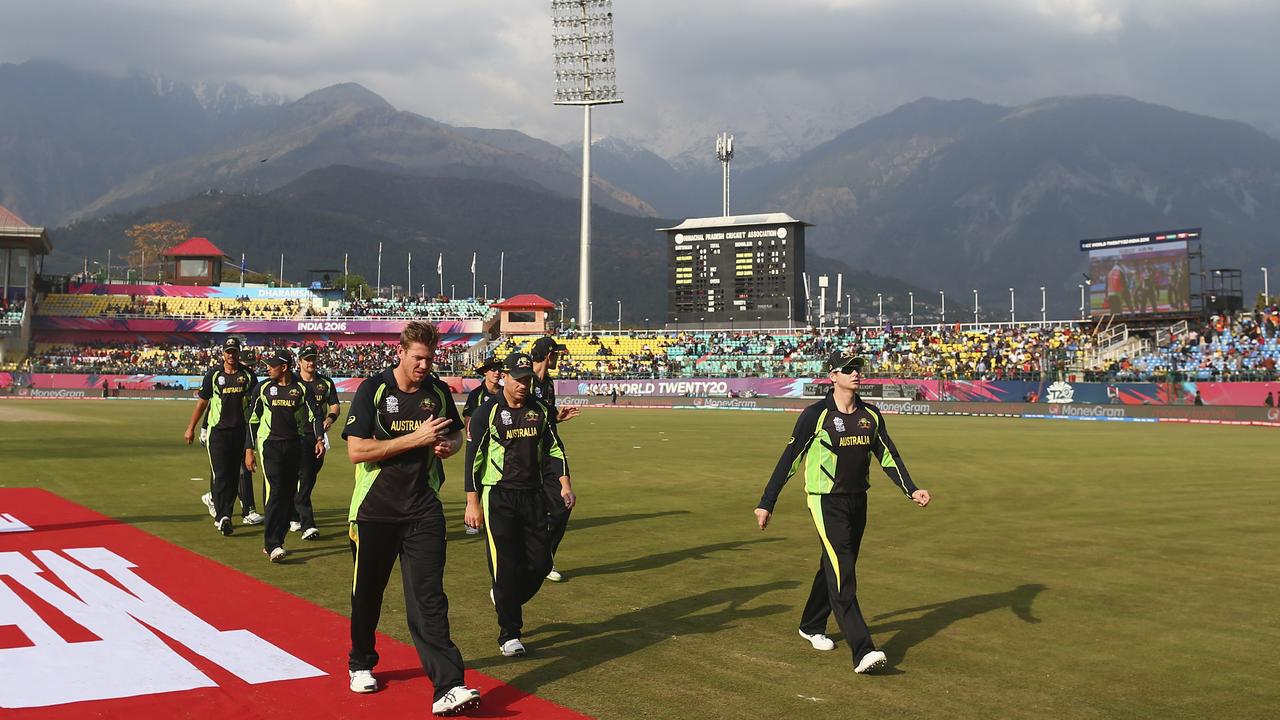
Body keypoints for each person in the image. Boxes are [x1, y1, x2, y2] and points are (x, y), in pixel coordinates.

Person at [754, 352, 931, 675]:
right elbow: (790, 459)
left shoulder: (871, 415)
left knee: (833, 564)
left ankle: (810, 624)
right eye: (848, 369)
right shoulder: (815, 415)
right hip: (825, 501)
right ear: (832, 376)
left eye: (858, 368)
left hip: (857, 501)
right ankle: (863, 649)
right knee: (843, 572)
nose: (855, 373)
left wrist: (912, 489)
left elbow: (888, 455)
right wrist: (767, 502)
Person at [341, 321, 480, 715]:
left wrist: (448, 446)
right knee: (368, 594)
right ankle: (361, 662)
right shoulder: (373, 390)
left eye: (430, 358)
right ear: (399, 352)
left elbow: (454, 434)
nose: (424, 365)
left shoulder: (436, 391)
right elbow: (357, 451)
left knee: (430, 598)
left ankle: (449, 686)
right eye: (418, 358)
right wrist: (414, 439)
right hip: (374, 512)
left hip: (423, 509)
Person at [464, 352, 573, 658]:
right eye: (518, 378)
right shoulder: (487, 412)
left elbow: (554, 448)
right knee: (506, 567)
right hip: (498, 497)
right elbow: (473, 460)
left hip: (533, 495)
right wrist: (472, 503)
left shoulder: (539, 410)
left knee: (540, 563)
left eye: (528, 379)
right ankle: (509, 633)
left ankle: (504, 596)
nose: (524, 384)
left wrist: (564, 483)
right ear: (505, 378)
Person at [245, 349, 325, 563]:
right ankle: (273, 544)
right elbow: (253, 419)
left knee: (288, 496)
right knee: (275, 492)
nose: (268, 368)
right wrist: (248, 450)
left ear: (284, 367)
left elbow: (315, 414)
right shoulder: (262, 388)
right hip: (270, 445)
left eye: (272, 365)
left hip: (294, 446)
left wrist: (319, 439)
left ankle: (276, 540)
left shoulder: (301, 388)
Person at [185, 337, 256, 536]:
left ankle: (224, 513)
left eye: (234, 351)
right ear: (223, 353)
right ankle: (223, 516)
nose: (231, 355)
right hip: (218, 432)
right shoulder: (214, 375)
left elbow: (254, 405)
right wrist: (191, 427)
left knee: (234, 476)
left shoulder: (248, 375)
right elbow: (202, 403)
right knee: (221, 474)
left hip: (240, 432)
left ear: (238, 353)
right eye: (228, 351)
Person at [529, 335, 578, 582]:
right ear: (549, 355)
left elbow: (545, 420)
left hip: (548, 451)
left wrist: (557, 417)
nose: (558, 358)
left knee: (561, 507)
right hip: (523, 455)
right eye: (556, 354)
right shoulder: (522, 379)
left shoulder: (547, 383)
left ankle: (544, 559)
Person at [291, 344, 341, 541]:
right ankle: (307, 524)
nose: (310, 362)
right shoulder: (292, 382)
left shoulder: (325, 383)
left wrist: (329, 419)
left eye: (313, 358)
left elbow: (335, 405)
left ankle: (293, 513)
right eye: (307, 359)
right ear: (299, 361)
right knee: (305, 476)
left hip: (318, 437)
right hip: (297, 436)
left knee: (309, 478)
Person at [461, 353, 504, 536]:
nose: (497, 372)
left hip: (498, 445)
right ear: (485, 372)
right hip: (480, 444)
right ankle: (471, 520)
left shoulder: (504, 393)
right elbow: (468, 419)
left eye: (499, 369)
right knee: (475, 479)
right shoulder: (477, 395)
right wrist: (471, 439)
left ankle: (494, 517)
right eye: (493, 369)